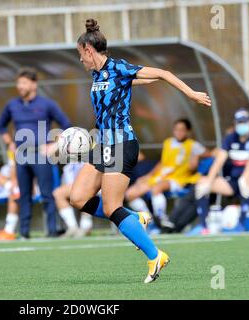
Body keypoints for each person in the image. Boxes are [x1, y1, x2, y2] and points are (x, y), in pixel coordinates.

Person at [69, 19, 211, 284]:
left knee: (112, 207)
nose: (80, 60)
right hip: (103, 145)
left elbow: (163, 74)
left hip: (122, 144)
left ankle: (155, 255)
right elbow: (124, 88)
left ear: (89, 50)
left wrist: (191, 94)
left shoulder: (119, 68)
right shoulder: (97, 75)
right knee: (77, 198)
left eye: (80, 54)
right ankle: (136, 218)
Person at [0, 67, 72, 239]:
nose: (20, 86)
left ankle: (52, 231)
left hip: (41, 155)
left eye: (23, 83)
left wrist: (54, 144)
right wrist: (9, 142)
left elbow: (66, 125)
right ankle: (24, 233)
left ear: (34, 84)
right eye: (18, 83)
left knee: (47, 194)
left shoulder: (47, 104)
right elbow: (0, 125)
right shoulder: (12, 105)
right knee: (24, 195)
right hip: (21, 155)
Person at [193, 108, 249, 235]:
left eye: (244, 122)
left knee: (247, 182)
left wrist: (244, 178)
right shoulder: (230, 138)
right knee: (202, 183)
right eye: (239, 122)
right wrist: (209, 181)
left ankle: (242, 224)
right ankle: (203, 226)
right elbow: (219, 161)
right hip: (233, 181)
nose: (242, 125)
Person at [125, 119, 207, 226]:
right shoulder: (168, 142)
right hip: (161, 177)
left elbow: (209, 154)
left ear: (188, 131)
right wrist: (148, 176)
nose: (179, 132)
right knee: (130, 194)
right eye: (177, 130)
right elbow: (162, 163)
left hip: (178, 179)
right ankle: (149, 220)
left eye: (182, 130)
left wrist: (196, 158)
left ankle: (161, 218)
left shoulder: (193, 145)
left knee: (156, 188)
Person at [53, 162, 93, 237]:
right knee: (58, 193)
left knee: (87, 191)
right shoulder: (69, 166)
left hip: (91, 186)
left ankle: (86, 226)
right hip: (73, 187)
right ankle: (72, 227)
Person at [0, 150, 21, 240]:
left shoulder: (27, 162)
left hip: (23, 190)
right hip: (10, 189)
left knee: (13, 197)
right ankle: (15, 190)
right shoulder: (6, 167)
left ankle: (9, 231)